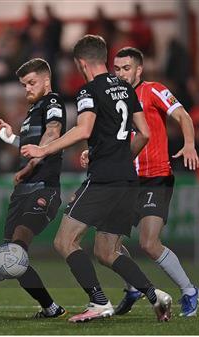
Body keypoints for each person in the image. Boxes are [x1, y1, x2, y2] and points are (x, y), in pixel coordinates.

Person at [21, 35, 172, 323]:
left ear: (80, 63)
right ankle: (156, 296)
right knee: (106, 251)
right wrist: (119, 156)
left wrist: (43, 149)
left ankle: (98, 302)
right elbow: (145, 133)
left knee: (65, 242)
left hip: (104, 179)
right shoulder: (127, 89)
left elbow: (84, 129)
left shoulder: (88, 91)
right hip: (128, 179)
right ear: (103, 59)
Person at [99, 46, 199, 317]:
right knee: (106, 246)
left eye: (126, 68)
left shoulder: (153, 89)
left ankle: (189, 290)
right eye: (117, 69)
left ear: (139, 70)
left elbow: (183, 115)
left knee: (149, 243)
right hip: (126, 180)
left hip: (156, 177)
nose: (120, 73)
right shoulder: (114, 98)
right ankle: (133, 286)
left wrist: (189, 144)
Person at [0, 58, 66, 319]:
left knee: (16, 249)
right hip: (23, 192)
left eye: (31, 83)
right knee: (13, 257)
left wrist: (30, 166)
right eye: (24, 85)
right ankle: (50, 308)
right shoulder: (33, 110)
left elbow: (53, 132)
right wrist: (9, 136)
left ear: (46, 81)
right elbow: (28, 144)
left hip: (43, 188)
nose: (26, 88)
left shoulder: (53, 102)